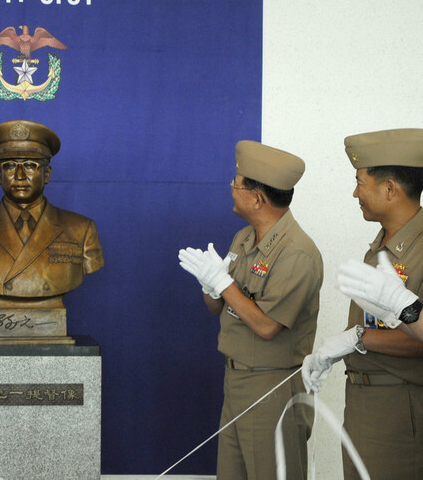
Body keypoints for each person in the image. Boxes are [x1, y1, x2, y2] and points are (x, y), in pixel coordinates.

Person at [178, 140, 322, 479]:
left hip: (271, 386)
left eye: (236, 184)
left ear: (257, 198)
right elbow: (217, 307)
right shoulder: (244, 238)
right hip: (237, 380)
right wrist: (209, 283)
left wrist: (224, 284)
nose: (231, 190)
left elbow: (267, 326)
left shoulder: (296, 254)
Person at [302, 128, 423, 479]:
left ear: (389, 189)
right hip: (363, 404)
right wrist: (342, 345)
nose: (355, 192)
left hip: (401, 410)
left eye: (360, 182)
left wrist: (358, 339)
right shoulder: (382, 246)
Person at [0, 120, 103, 341]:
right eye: (10, 165)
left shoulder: (81, 230)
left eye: (30, 165)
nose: (20, 176)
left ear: (47, 173)